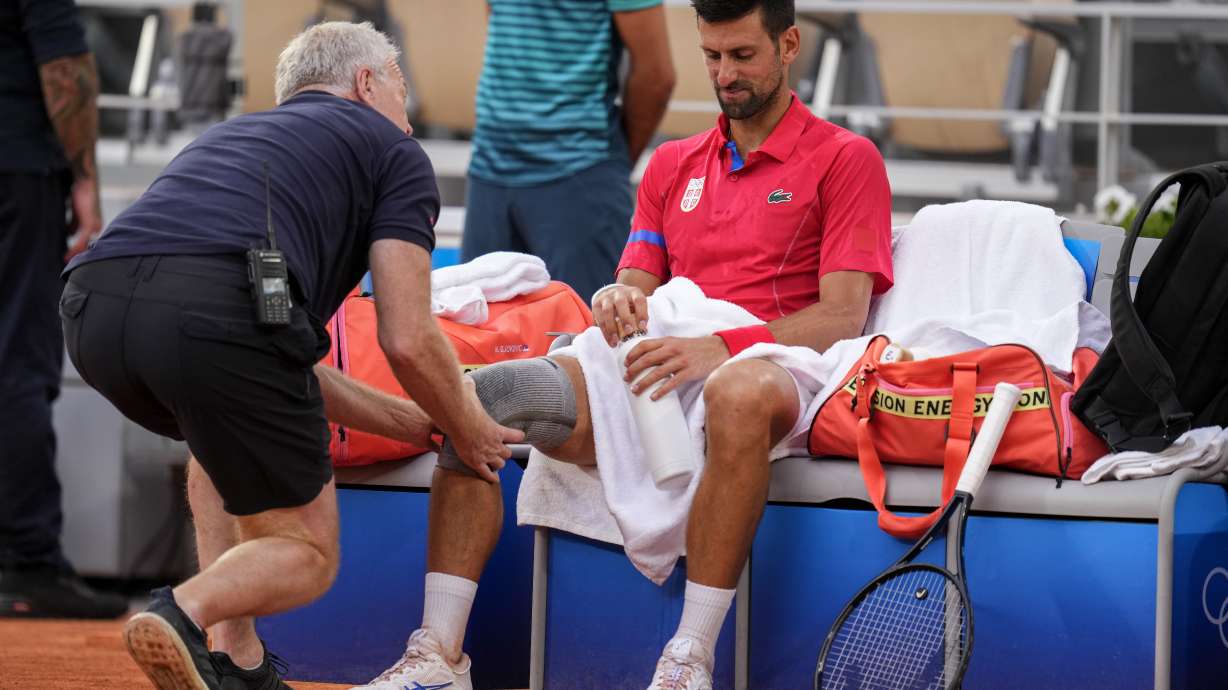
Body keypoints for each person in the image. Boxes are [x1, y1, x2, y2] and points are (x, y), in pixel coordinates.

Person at [355, 1, 894, 689]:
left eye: (742, 56)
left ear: (789, 45)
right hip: (663, 366)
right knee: (487, 395)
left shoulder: (847, 159)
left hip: (774, 365)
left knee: (736, 391)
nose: (724, 75)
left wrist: (720, 347)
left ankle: (687, 660)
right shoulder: (672, 164)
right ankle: (438, 655)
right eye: (712, 56)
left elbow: (843, 317)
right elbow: (637, 283)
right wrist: (616, 298)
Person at [60, 21, 523, 690]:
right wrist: (468, 422)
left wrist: (418, 422)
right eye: (400, 86)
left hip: (93, 317)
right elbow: (409, 337)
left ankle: (234, 660)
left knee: (215, 433)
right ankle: (183, 610)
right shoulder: (393, 153)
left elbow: (274, 366)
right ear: (366, 83)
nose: (407, 111)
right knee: (307, 554)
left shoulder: (230, 138)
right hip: (215, 314)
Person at [0, 0, 129, 620]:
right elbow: (63, 66)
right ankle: (27, 561)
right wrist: (85, 178)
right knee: (18, 362)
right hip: (16, 167)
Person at [460, 0, 676, 303]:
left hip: (578, 169)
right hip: (490, 165)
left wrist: (606, 163)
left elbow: (656, 77)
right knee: (475, 333)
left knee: (585, 338)